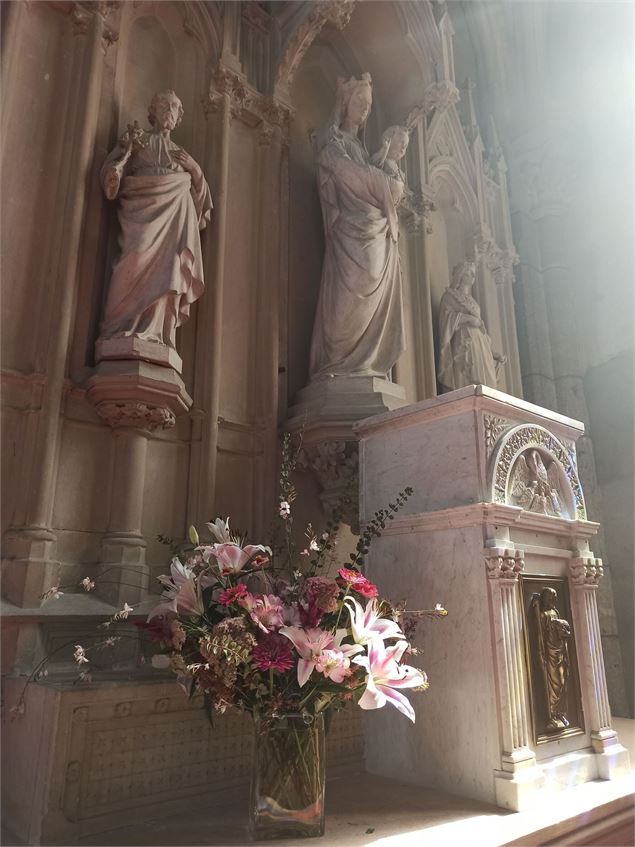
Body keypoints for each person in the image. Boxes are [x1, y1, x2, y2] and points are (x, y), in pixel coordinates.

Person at [309, 75, 406, 380]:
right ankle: (337, 363)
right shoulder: (333, 143)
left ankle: (367, 364)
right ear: (345, 102)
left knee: (372, 295)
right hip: (348, 237)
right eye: (360, 102)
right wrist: (382, 185)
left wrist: (383, 181)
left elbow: (372, 181)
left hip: (374, 233)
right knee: (343, 308)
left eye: (368, 105)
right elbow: (348, 176)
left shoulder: (362, 152)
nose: (364, 109)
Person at [99, 90, 212, 350]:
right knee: (134, 258)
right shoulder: (138, 140)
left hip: (174, 226)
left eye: (175, 107)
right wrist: (122, 158)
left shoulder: (182, 154)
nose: (170, 111)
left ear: (179, 116)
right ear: (154, 111)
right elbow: (111, 171)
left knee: (170, 273)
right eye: (165, 105)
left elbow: (201, 204)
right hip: (140, 216)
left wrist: (195, 170)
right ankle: (118, 327)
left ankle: (159, 334)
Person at [437, 260, 506, 391]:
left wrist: (492, 354)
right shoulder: (449, 296)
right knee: (467, 380)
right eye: (469, 273)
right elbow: (446, 319)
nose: (473, 276)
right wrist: (467, 319)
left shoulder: (473, 301)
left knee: (485, 383)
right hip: (464, 342)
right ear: (461, 275)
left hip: (479, 346)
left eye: (474, 273)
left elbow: (482, 332)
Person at [531, 587, 571, 731]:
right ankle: (551, 715)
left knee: (563, 683)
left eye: (556, 596)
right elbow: (540, 635)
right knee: (555, 684)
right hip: (550, 654)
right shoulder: (542, 615)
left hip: (560, 653)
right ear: (546, 598)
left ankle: (560, 713)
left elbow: (565, 631)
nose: (555, 599)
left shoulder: (555, 612)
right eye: (552, 596)